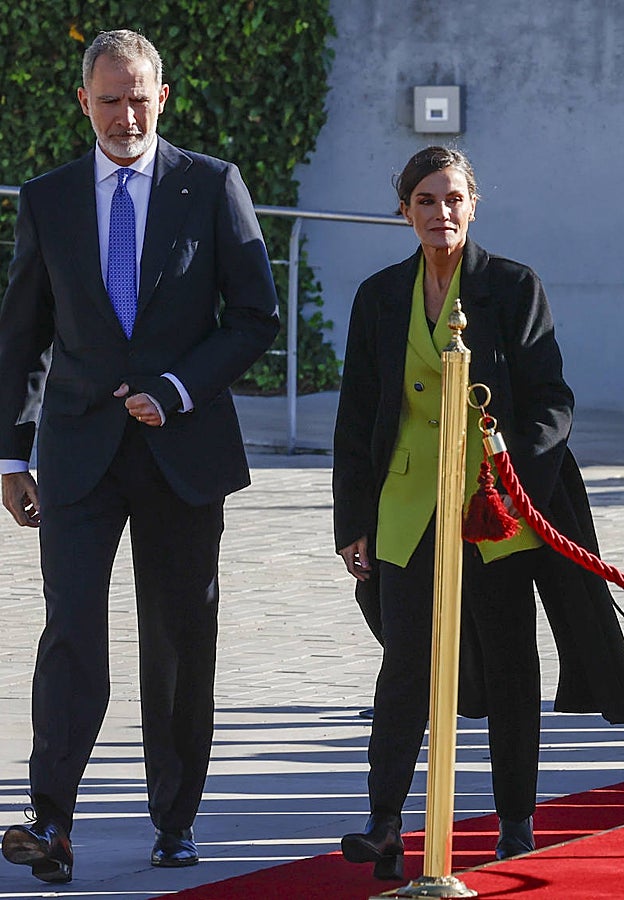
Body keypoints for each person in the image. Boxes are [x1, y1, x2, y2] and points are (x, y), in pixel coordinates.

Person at [0, 29, 279, 884]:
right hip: (77, 453)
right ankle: (51, 821)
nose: (125, 116)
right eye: (109, 100)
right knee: (70, 629)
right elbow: (23, 334)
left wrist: (177, 388)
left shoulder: (212, 185)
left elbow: (255, 316)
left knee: (180, 637)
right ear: (84, 103)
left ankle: (175, 819)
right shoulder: (48, 198)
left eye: (138, 99)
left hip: (182, 451)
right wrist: (10, 457)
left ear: (164, 98)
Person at [333, 145, 624, 881]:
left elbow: (553, 402)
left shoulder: (513, 286)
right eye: (426, 200)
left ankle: (515, 825)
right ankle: (384, 824)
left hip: (495, 509)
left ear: (473, 205)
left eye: (454, 198)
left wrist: (513, 481)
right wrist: (352, 521)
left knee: (509, 660)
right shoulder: (379, 295)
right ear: (405, 210)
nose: (442, 212)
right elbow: (357, 413)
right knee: (406, 665)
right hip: (407, 506)